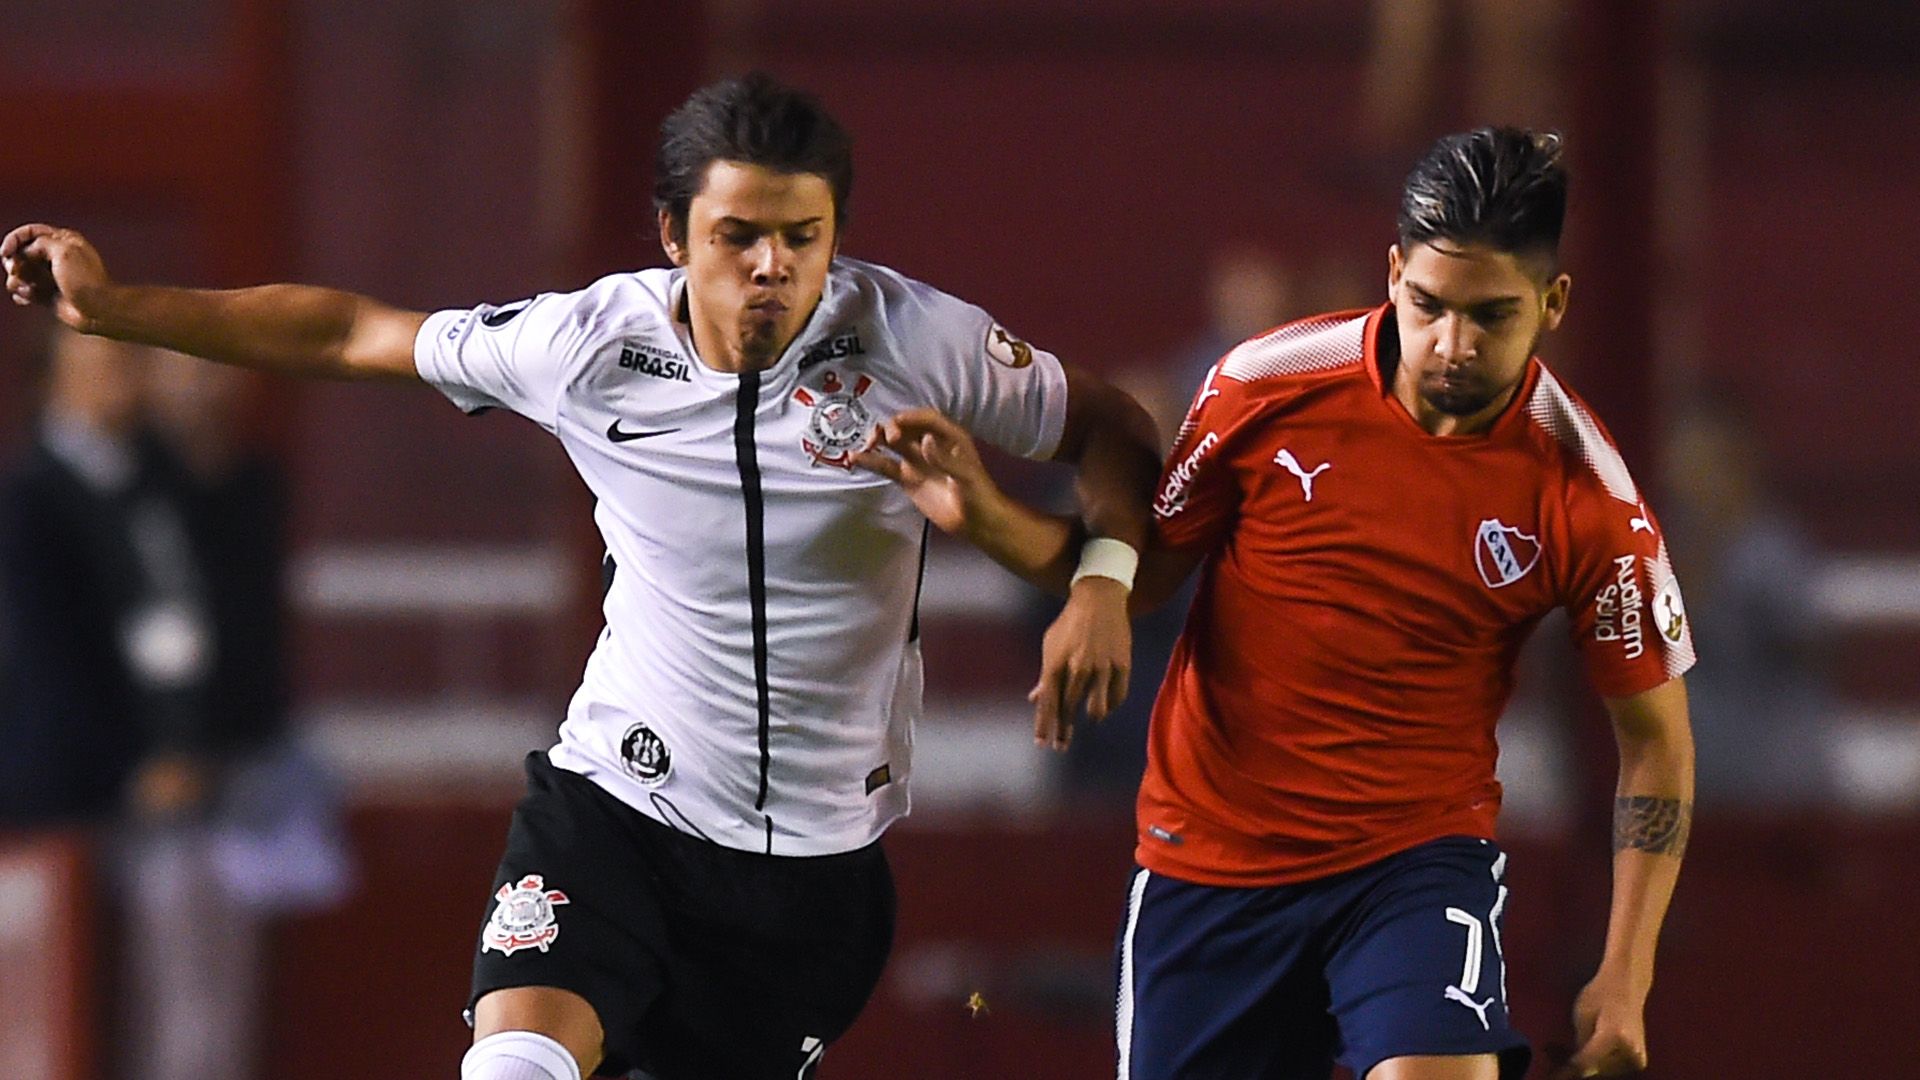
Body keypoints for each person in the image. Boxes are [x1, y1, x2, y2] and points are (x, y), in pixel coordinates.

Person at [3, 73, 1160, 1080]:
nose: (772, 270)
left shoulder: (920, 340)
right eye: (738, 236)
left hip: (812, 872)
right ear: (673, 234)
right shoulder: (589, 346)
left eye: (803, 238)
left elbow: (1109, 428)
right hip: (616, 809)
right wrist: (118, 312)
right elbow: (350, 333)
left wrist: (1100, 582)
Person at [886, 129, 1698, 1079]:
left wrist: (1626, 975)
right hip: (1211, 860)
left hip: (1413, 863)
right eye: (1430, 304)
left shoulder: (1588, 494)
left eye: (1492, 316)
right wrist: (997, 523)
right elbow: (1146, 571)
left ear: (1552, 304)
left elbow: (1657, 742)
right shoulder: (1264, 384)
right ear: (1393, 272)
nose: (1452, 344)